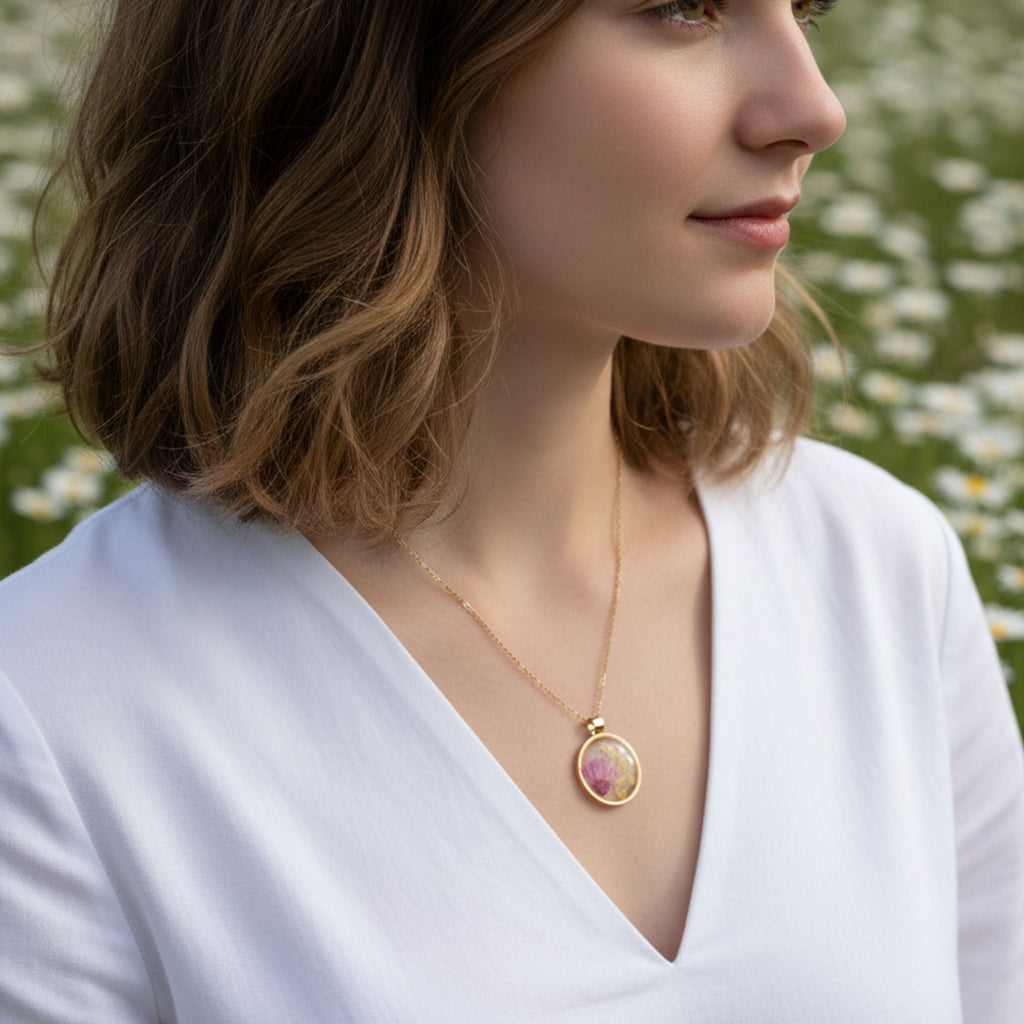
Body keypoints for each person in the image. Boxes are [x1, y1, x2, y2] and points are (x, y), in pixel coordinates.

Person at [1, 0, 1022, 1020]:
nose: (814, 105)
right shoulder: (57, 713)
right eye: (683, 8)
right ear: (377, 59)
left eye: (802, 10)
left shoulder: (881, 571)